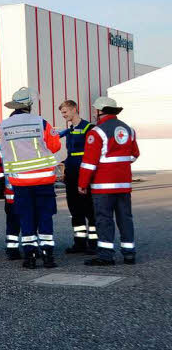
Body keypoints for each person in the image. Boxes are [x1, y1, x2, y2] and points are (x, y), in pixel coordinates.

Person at [0, 87, 62, 269]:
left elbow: (5, 149)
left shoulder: (3, 125)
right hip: (43, 180)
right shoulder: (41, 122)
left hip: (20, 181)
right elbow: (55, 146)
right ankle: (48, 256)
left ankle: (29, 257)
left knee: (26, 217)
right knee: (45, 216)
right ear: (30, 104)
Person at [78, 97, 140, 266]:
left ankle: (106, 255)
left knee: (104, 219)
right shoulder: (129, 130)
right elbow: (134, 155)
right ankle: (129, 254)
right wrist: (120, 165)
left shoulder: (96, 132)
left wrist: (82, 184)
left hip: (103, 186)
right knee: (125, 218)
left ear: (99, 111)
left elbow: (89, 163)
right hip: (124, 184)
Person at [57, 99, 97, 254]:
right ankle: (79, 243)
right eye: (62, 113)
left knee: (89, 209)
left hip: (84, 174)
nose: (63, 115)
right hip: (72, 174)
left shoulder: (89, 128)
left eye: (65, 112)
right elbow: (71, 153)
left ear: (74, 109)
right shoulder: (70, 130)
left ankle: (94, 243)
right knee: (74, 209)